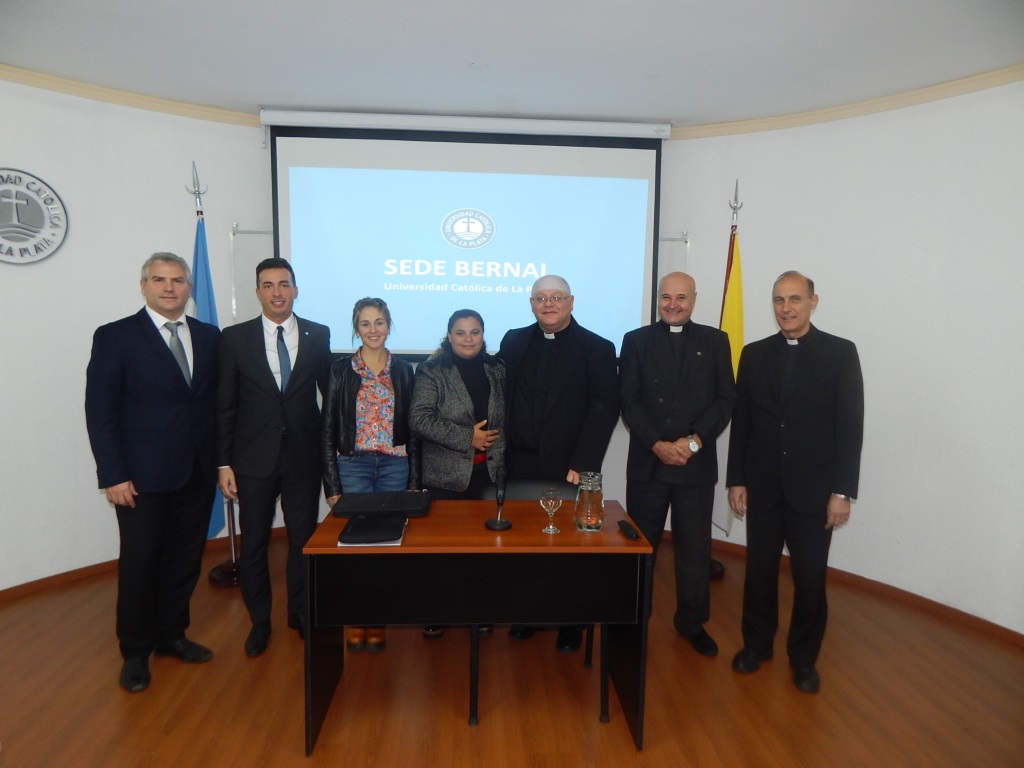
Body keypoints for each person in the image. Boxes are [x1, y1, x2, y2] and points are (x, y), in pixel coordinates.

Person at [85, 252, 220, 693]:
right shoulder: (116, 337)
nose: (169, 287)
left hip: (196, 472)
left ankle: (172, 636)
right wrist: (113, 474)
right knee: (141, 564)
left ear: (189, 287)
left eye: (178, 280)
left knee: (183, 561)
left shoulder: (209, 335)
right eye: (159, 280)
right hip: (139, 478)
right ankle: (136, 652)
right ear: (143, 285)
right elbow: (100, 412)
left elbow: (213, 405)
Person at [726, 270, 864, 693]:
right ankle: (757, 646)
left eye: (794, 299)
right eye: (778, 300)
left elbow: (850, 427)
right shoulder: (753, 353)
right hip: (764, 488)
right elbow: (743, 423)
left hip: (814, 493)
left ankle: (803, 659)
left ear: (813, 302)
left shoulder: (840, 353)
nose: (786, 308)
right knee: (759, 574)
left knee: (809, 580)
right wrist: (737, 479)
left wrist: (842, 492)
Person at [497, 275, 619, 652]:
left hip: (568, 465)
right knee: (524, 543)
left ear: (571, 302)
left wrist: (583, 463)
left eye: (556, 297)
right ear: (531, 304)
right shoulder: (513, 340)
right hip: (521, 461)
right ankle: (526, 613)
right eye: (540, 298)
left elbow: (604, 408)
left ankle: (571, 621)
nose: (548, 304)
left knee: (572, 547)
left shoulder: (598, 347)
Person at [216, 258, 331, 658]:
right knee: (254, 546)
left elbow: (329, 398)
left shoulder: (319, 334)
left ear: (296, 289)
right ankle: (259, 621)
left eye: (284, 284)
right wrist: (223, 463)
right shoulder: (234, 338)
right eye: (268, 285)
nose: (277, 292)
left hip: (303, 457)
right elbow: (225, 405)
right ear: (258, 292)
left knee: (302, 541)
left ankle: (299, 614)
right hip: (252, 460)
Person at [620, 272, 735, 658]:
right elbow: (629, 401)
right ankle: (635, 619)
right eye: (666, 296)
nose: (673, 304)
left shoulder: (716, 341)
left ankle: (691, 622)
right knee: (642, 549)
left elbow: (724, 400)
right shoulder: (635, 341)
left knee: (694, 550)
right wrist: (657, 443)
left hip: (694, 463)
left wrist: (692, 441)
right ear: (657, 299)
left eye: (681, 297)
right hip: (649, 464)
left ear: (694, 300)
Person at [321, 297, 418, 652]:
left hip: (395, 465)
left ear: (388, 325)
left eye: (379, 322)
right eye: (365, 323)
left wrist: (412, 482)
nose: (373, 330)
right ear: (356, 328)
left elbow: (413, 429)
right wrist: (331, 483)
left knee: (385, 546)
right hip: (353, 465)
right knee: (353, 547)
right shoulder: (340, 371)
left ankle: (375, 618)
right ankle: (354, 616)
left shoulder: (405, 370)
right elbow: (328, 428)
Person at [409, 309, 505, 639]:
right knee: (442, 551)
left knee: (483, 551)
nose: (468, 339)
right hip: (445, 478)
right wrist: (469, 437)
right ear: (449, 336)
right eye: (460, 332)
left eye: (474, 332)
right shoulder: (432, 370)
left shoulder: (497, 369)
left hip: (488, 476)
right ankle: (437, 611)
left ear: (483, 334)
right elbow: (419, 420)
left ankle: (480, 610)